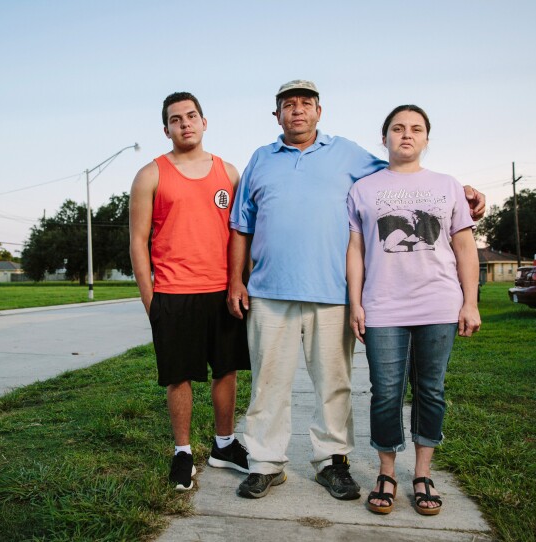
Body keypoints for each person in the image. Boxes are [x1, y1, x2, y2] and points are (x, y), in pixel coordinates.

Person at [227, 80, 485, 500]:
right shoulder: (260, 159)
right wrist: (236, 279)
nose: (297, 111)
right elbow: (242, 224)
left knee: (334, 382)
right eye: (288, 105)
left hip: (332, 292)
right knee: (268, 382)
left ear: (319, 112)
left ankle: (332, 463)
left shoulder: (347, 153)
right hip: (270, 291)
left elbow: (402, 172)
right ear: (276, 115)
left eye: (306, 104)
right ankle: (265, 464)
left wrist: (466, 192)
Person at [346, 105, 481, 516]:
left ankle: (422, 474)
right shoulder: (364, 189)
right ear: (384, 137)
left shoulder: (447, 185)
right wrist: (356, 302)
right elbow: (356, 249)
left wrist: (470, 301)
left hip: (438, 302)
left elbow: (463, 245)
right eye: (398, 128)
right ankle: (387, 472)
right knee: (385, 392)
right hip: (383, 304)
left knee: (430, 389)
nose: (407, 134)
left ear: (426, 139)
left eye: (416, 129)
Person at [129, 92, 252, 492]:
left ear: (203, 121)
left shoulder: (229, 172)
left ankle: (224, 445)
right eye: (176, 119)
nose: (185, 123)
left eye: (191, 116)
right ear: (166, 129)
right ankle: (183, 452)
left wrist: (241, 282)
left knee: (227, 370)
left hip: (222, 290)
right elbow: (138, 241)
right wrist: (152, 301)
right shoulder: (151, 174)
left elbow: (241, 233)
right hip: (173, 292)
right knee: (178, 375)